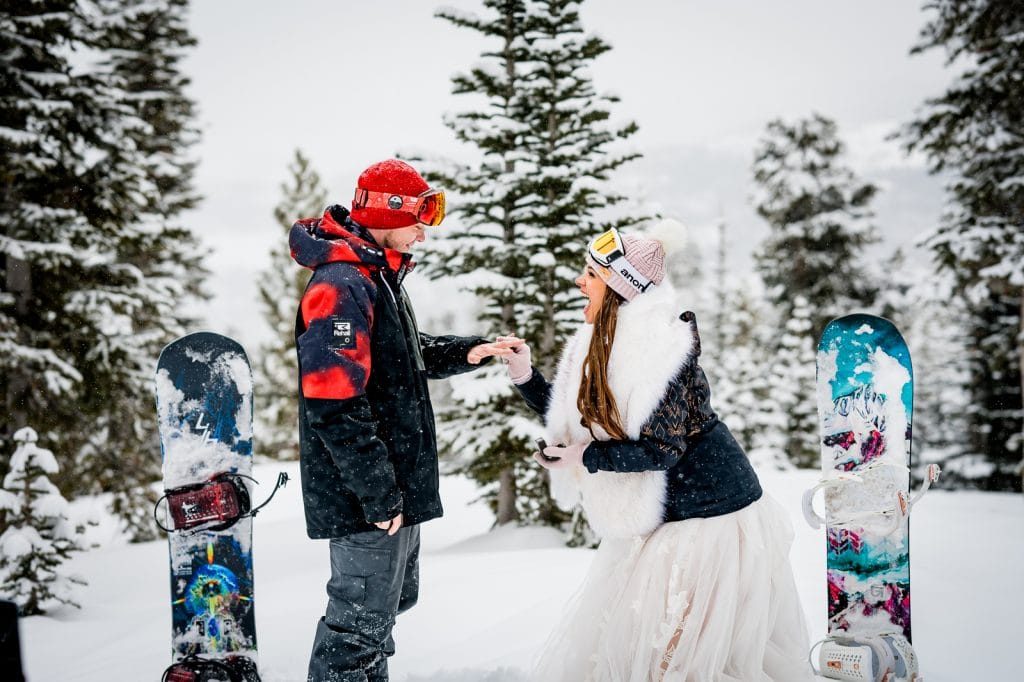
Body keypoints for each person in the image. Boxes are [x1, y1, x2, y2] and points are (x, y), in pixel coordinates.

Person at [501, 221, 814, 681]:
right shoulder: (601, 339)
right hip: (664, 510)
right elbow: (583, 413)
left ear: (616, 287)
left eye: (589, 273)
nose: (578, 281)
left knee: (681, 652)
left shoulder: (660, 350)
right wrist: (525, 376)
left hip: (710, 513)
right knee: (644, 641)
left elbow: (662, 449)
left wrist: (584, 457)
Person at [291, 159, 515, 682]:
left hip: (388, 490)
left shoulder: (376, 276)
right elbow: (334, 404)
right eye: (420, 214)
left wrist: (471, 351)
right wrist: (378, 494)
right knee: (357, 627)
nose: (425, 229)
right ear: (384, 211)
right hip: (366, 497)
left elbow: (400, 359)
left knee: (382, 617)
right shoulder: (341, 286)